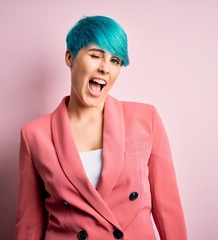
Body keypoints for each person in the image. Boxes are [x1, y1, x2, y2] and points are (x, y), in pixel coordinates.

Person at [15, 15, 187, 240]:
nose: (105, 68)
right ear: (70, 57)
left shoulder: (146, 119)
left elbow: (168, 210)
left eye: (115, 60)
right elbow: (30, 224)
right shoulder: (34, 135)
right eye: (96, 55)